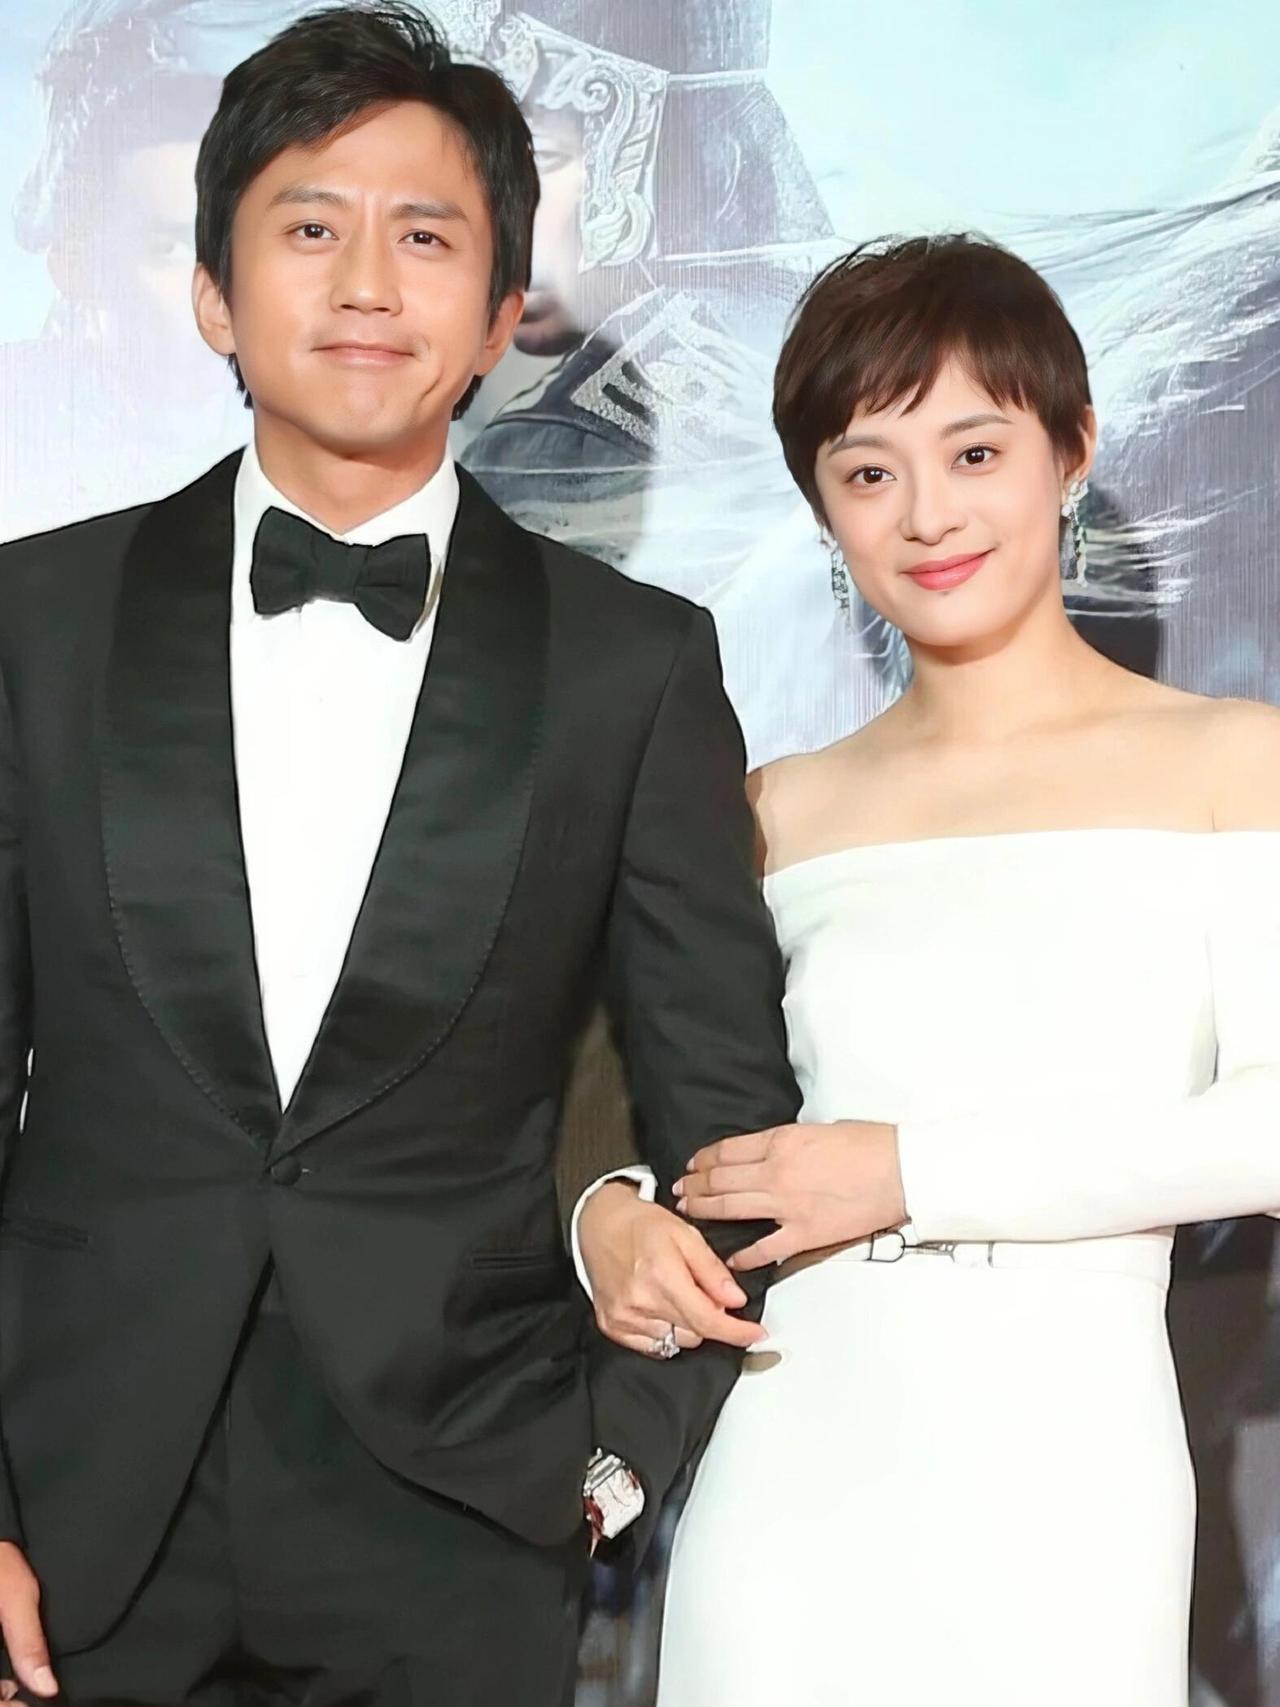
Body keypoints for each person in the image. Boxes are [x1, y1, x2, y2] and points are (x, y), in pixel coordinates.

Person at [0, 6, 799, 1702]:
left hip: (466, 1519)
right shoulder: (30, 622)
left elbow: (729, 1120)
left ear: (506, 309)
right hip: (68, 1515)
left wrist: (614, 1460)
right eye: (310, 227)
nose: (367, 283)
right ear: (213, 290)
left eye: (426, 237)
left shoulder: (632, 665)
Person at [576, 234, 1280, 1705]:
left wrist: (913, 1172)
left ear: (1072, 450)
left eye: (974, 452)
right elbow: (687, 1119)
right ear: (822, 508)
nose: (928, 514)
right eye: (869, 470)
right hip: (782, 1468)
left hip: (1066, 1475)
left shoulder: (1236, 763)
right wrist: (611, 1215)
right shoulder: (773, 808)